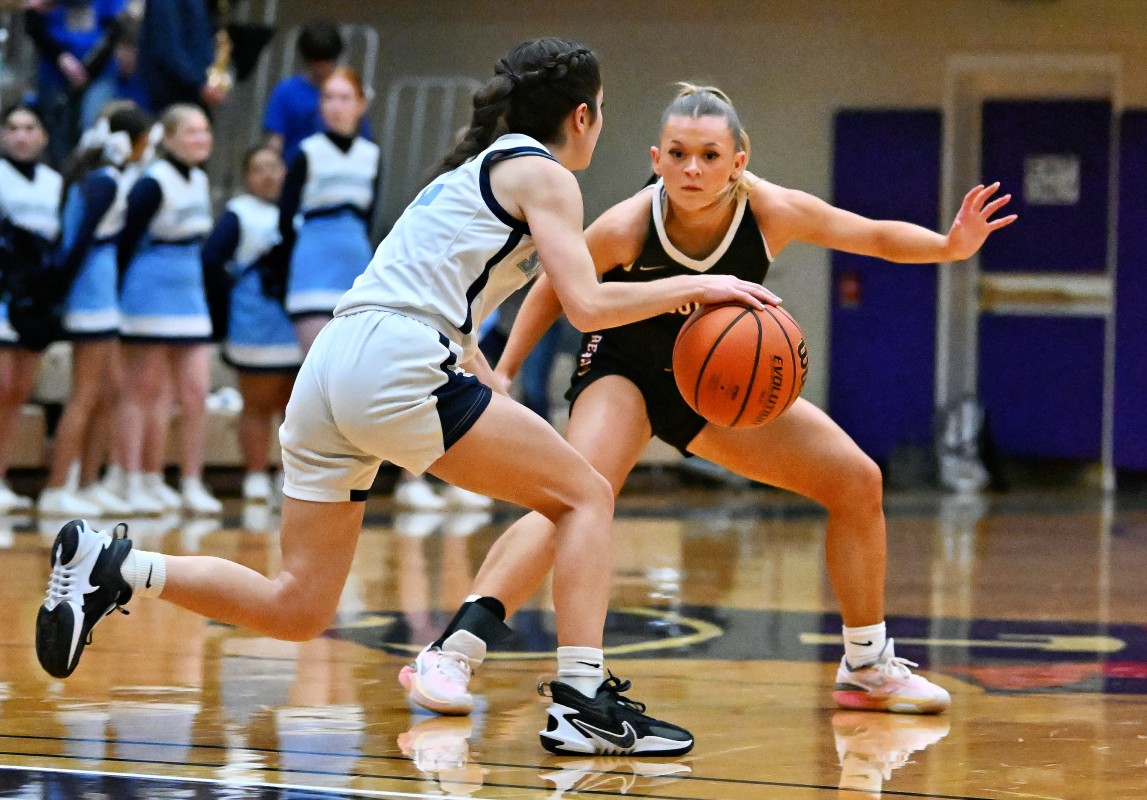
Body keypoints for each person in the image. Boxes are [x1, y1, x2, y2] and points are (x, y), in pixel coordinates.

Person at [35, 37, 777, 757]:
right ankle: (584, 703)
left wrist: (484, 366)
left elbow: (437, 296)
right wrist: (703, 284)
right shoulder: (546, 173)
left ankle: (118, 566)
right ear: (582, 115)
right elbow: (583, 303)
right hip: (391, 360)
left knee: (298, 605)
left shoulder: (467, 172)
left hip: (335, 362)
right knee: (584, 495)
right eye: (602, 110)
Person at [403, 84, 1017, 717]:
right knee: (577, 497)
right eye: (678, 153)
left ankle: (866, 665)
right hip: (624, 369)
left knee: (857, 480)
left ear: (738, 161)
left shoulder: (770, 211)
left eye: (708, 154)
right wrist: (505, 369)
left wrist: (949, 246)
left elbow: (872, 236)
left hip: (711, 385)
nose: (692, 168)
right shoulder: (628, 224)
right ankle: (453, 651)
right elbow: (554, 290)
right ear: (657, 157)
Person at [37, 104, 153, 518]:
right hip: (90, 291)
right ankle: (56, 487)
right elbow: (81, 240)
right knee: (85, 393)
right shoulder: (104, 180)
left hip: (103, 290)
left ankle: (88, 481)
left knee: (110, 390)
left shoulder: (108, 177)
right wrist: (61, 288)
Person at [113, 103, 221, 514]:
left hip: (190, 292)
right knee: (144, 392)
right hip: (149, 290)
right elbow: (126, 239)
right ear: (170, 137)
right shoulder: (152, 181)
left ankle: (189, 480)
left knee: (195, 393)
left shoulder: (199, 178)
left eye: (205, 130)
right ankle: (136, 477)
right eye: (191, 132)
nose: (201, 139)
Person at [200, 145, 299, 504]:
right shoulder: (239, 213)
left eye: (275, 166)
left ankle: (290, 477)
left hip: (297, 321)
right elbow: (211, 260)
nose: (269, 175)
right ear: (247, 178)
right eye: (259, 169)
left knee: (298, 408)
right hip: (255, 320)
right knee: (257, 403)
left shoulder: (301, 212)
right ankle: (255, 476)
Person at [276, 66, 377, 354]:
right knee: (315, 366)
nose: (336, 106)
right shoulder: (306, 152)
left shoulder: (372, 154)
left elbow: (370, 216)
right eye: (329, 98)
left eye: (345, 98)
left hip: (355, 263)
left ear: (361, 104)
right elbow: (285, 219)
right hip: (313, 264)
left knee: (355, 370)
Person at [0, 103, 61, 512]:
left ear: (42, 136)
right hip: (3, 290)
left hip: (35, 297)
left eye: (30, 127)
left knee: (19, 392)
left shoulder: (55, 182)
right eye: (14, 128)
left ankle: (1, 475)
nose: (22, 135)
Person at [22, 0, 126, 165]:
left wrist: (89, 69)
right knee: (57, 135)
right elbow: (32, 23)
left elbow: (115, 27)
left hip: (98, 71)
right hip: (54, 71)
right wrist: (60, 57)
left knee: (93, 128)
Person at [262, 20, 350, 164]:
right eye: (317, 63)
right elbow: (275, 140)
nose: (322, 69)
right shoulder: (286, 91)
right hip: (295, 172)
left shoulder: (346, 92)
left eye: (326, 63)